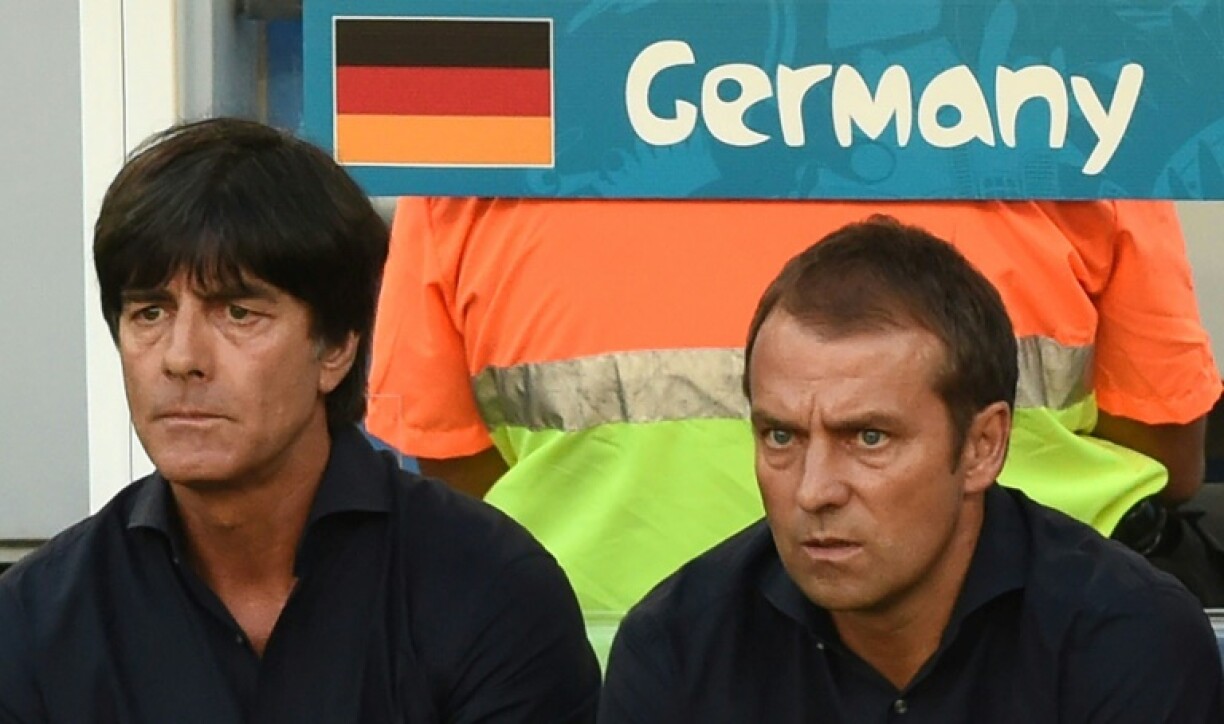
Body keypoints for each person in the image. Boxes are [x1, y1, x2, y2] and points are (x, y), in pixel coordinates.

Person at [365, 198, 1221, 634]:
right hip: (1031, 652)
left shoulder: (504, 70)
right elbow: (1167, 447)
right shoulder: (1059, 57)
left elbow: (450, 469)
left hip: (597, 665)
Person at [0, 118, 599, 723]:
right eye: (149, 312)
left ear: (336, 346)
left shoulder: (490, 589)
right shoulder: (36, 619)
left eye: (237, 313)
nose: (181, 358)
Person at [598, 217, 1224, 723]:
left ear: (983, 445)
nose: (814, 491)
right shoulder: (678, 646)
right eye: (781, 436)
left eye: (869, 438)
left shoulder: (1126, 641)